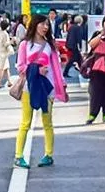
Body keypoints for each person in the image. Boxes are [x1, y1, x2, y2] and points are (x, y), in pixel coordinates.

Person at [11, 17, 66, 168]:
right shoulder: (25, 45)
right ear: (35, 25)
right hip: (29, 86)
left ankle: (48, 155)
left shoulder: (50, 46)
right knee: (25, 122)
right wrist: (36, 70)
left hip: (47, 87)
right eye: (42, 24)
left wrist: (61, 84)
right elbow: (20, 66)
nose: (45, 27)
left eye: (47, 24)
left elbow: (56, 67)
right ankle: (18, 156)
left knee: (47, 122)